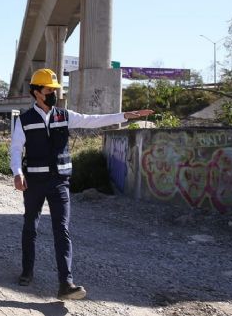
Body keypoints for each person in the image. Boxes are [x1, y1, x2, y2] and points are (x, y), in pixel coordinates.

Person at [11, 68, 152, 300]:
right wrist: (17, 173)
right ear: (37, 92)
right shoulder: (24, 120)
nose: (54, 94)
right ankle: (27, 271)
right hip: (34, 182)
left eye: (55, 90)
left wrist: (124, 115)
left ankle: (66, 283)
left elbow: (93, 120)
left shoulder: (64, 115)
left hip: (59, 181)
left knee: (62, 230)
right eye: (49, 90)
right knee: (30, 226)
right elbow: (16, 149)